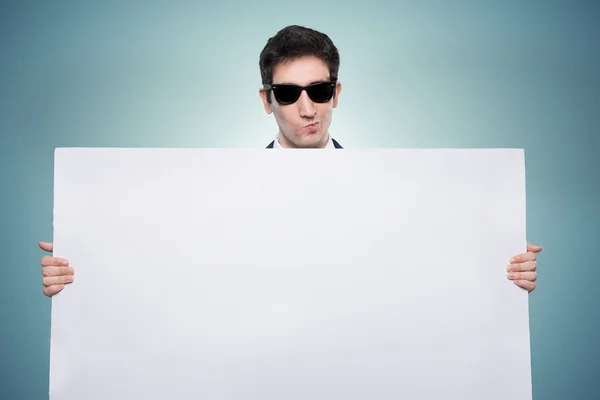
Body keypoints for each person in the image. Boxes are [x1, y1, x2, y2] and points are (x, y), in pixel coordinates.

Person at [38, 25, 542, 297]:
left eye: (319, 90)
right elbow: (174, 267)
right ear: (266, 100)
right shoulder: (218, 196)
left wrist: (497, 262)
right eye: (288, 92)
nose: (306, 107)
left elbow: (428, 268)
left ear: (336, 94)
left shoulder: (393, 195)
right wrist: (91, 256)